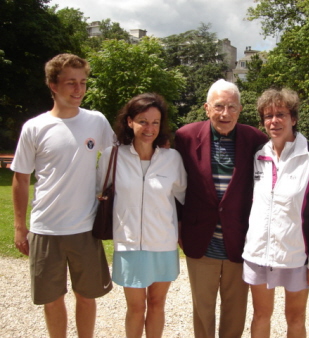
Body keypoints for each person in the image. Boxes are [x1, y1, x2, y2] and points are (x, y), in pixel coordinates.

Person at [11, 53, 114, 338]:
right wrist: (21, 227)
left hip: (85, 227)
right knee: (52, 299)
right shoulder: (35, 127)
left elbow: (117, 162)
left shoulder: (97, 122)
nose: (79, 89)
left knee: (86, 296)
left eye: (83, 82)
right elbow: (20, 178)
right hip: (46, 228)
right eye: (71, 83)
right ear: (53, 85)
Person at [175, 79, 267, 337]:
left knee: (235, 310)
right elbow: (174, 187)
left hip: (240, 240)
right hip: (199, 240)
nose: (225, 114)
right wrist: (179, 226)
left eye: (231, 107)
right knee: (202, 311)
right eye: (219, 106)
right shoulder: (185, 137)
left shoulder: (256, 140)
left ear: (240, 109)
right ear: (207, 108)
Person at [97, 93, 187, 338]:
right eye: (143, 121)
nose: (149, 128)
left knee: (157, 305)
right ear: (129, 122)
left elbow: (182, 197)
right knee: (136, 308)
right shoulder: (112, 156)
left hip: (163, 243)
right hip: (129, 246)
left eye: (155, 122)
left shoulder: (172, 159)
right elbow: (99, 193)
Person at [242, 88, 309, 338]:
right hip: (258, 252)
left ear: (294, 118)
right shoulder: (259, 155)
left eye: (280, 114)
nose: (274, 121)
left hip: (296, 256)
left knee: (295, 318)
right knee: (260, 315)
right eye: (267, 116)